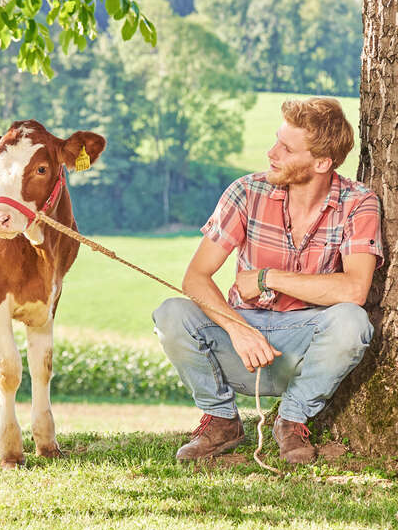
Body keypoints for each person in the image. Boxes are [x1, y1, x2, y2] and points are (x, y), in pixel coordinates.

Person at [152, 97, 382, 464]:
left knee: (353, 322)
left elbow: (355, 289)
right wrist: (238, 329)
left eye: (286, 148)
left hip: (306, 344)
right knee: (171, 314)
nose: (271, 153)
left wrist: (267, 278)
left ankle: (291, 421)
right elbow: (195, 278)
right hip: (241, 341)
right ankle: (222, 422)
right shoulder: (246, 192)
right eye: (277, 140)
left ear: (321, 163)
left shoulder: (358, 202)